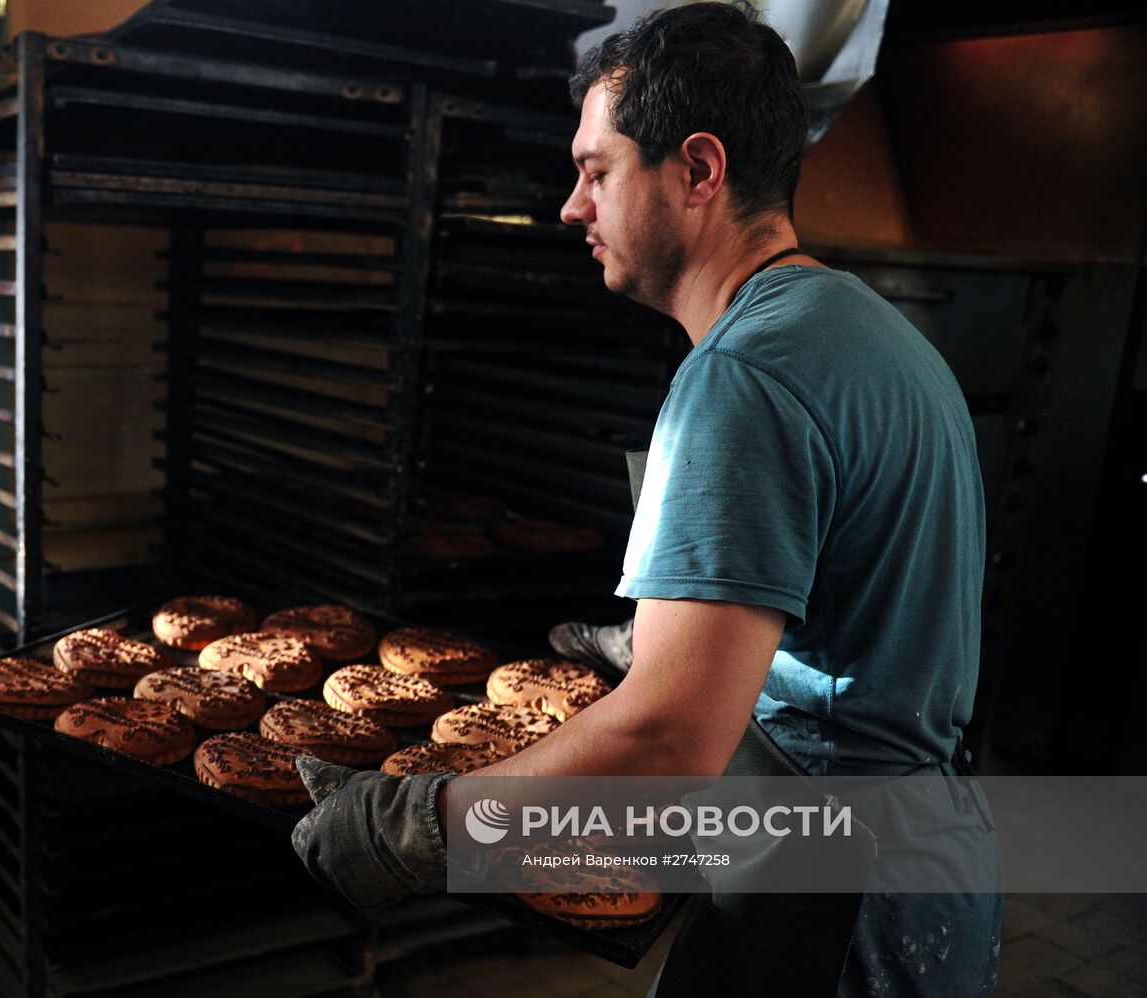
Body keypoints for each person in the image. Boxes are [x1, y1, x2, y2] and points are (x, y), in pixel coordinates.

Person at [292, 4, 1001, 994]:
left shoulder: (742, 375)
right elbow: (865, 628)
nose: (569, 208)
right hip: (922, 873)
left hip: (827, 891)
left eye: (595, 170)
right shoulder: (871, 336)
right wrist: (670, 643)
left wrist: (414, 826)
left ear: (696, 170)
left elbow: (664, 741)